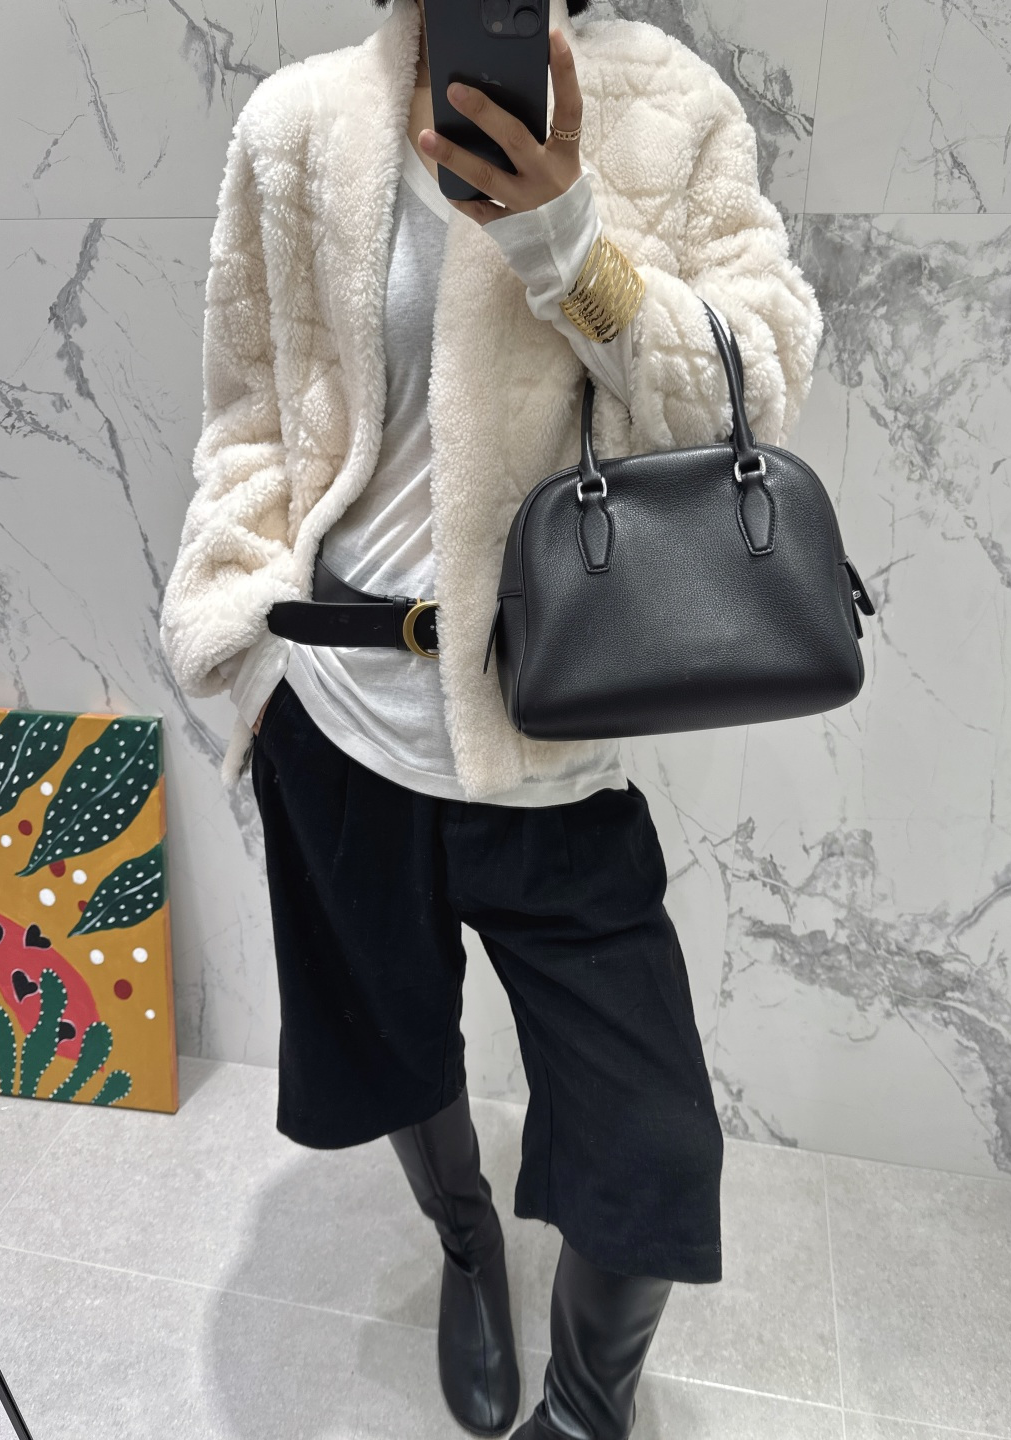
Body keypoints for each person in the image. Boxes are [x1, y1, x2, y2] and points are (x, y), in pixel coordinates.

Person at [159, 0, 824, 1434]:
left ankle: (584, 1411)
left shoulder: (671, 105)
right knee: (392, 1040)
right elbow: (251, 419)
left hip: (550, 742)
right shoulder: (296, 125)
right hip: (339, 720)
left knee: (653, 1146)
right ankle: (467, 1241)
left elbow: (753, 396)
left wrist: (569, 241)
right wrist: (252, 656)